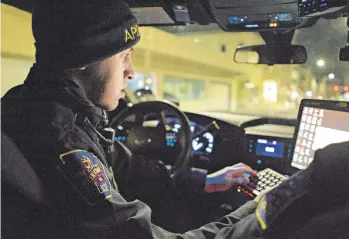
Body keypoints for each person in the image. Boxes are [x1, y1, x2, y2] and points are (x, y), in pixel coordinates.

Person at [2, 0, 349, 238]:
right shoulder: (62, 139)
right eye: (124, 56)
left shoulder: (37, 107)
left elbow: (127, 168)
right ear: (83, 58)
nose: (132, 72)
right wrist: (282, 198)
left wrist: (206, 181)